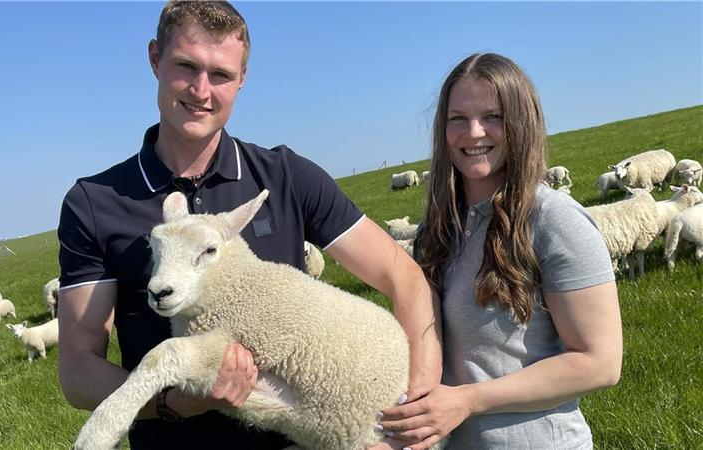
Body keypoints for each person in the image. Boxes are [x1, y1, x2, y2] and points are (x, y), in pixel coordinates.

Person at [56, 2, 439, 449]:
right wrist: (173, 403)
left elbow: (404, 276)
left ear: (242, 80)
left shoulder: (285, 176)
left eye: (220, 75)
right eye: (185, 66)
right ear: (155, 59)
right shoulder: (95, 203)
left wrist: (416, 413)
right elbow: (78, 370)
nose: (202, 90)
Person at [377, 53, 623, 449]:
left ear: (521, 123)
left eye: (493, 116)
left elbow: (600, 364)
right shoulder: (438, 231)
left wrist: (466, 401)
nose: (473, 133)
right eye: (458, 118)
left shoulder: (552, 220)